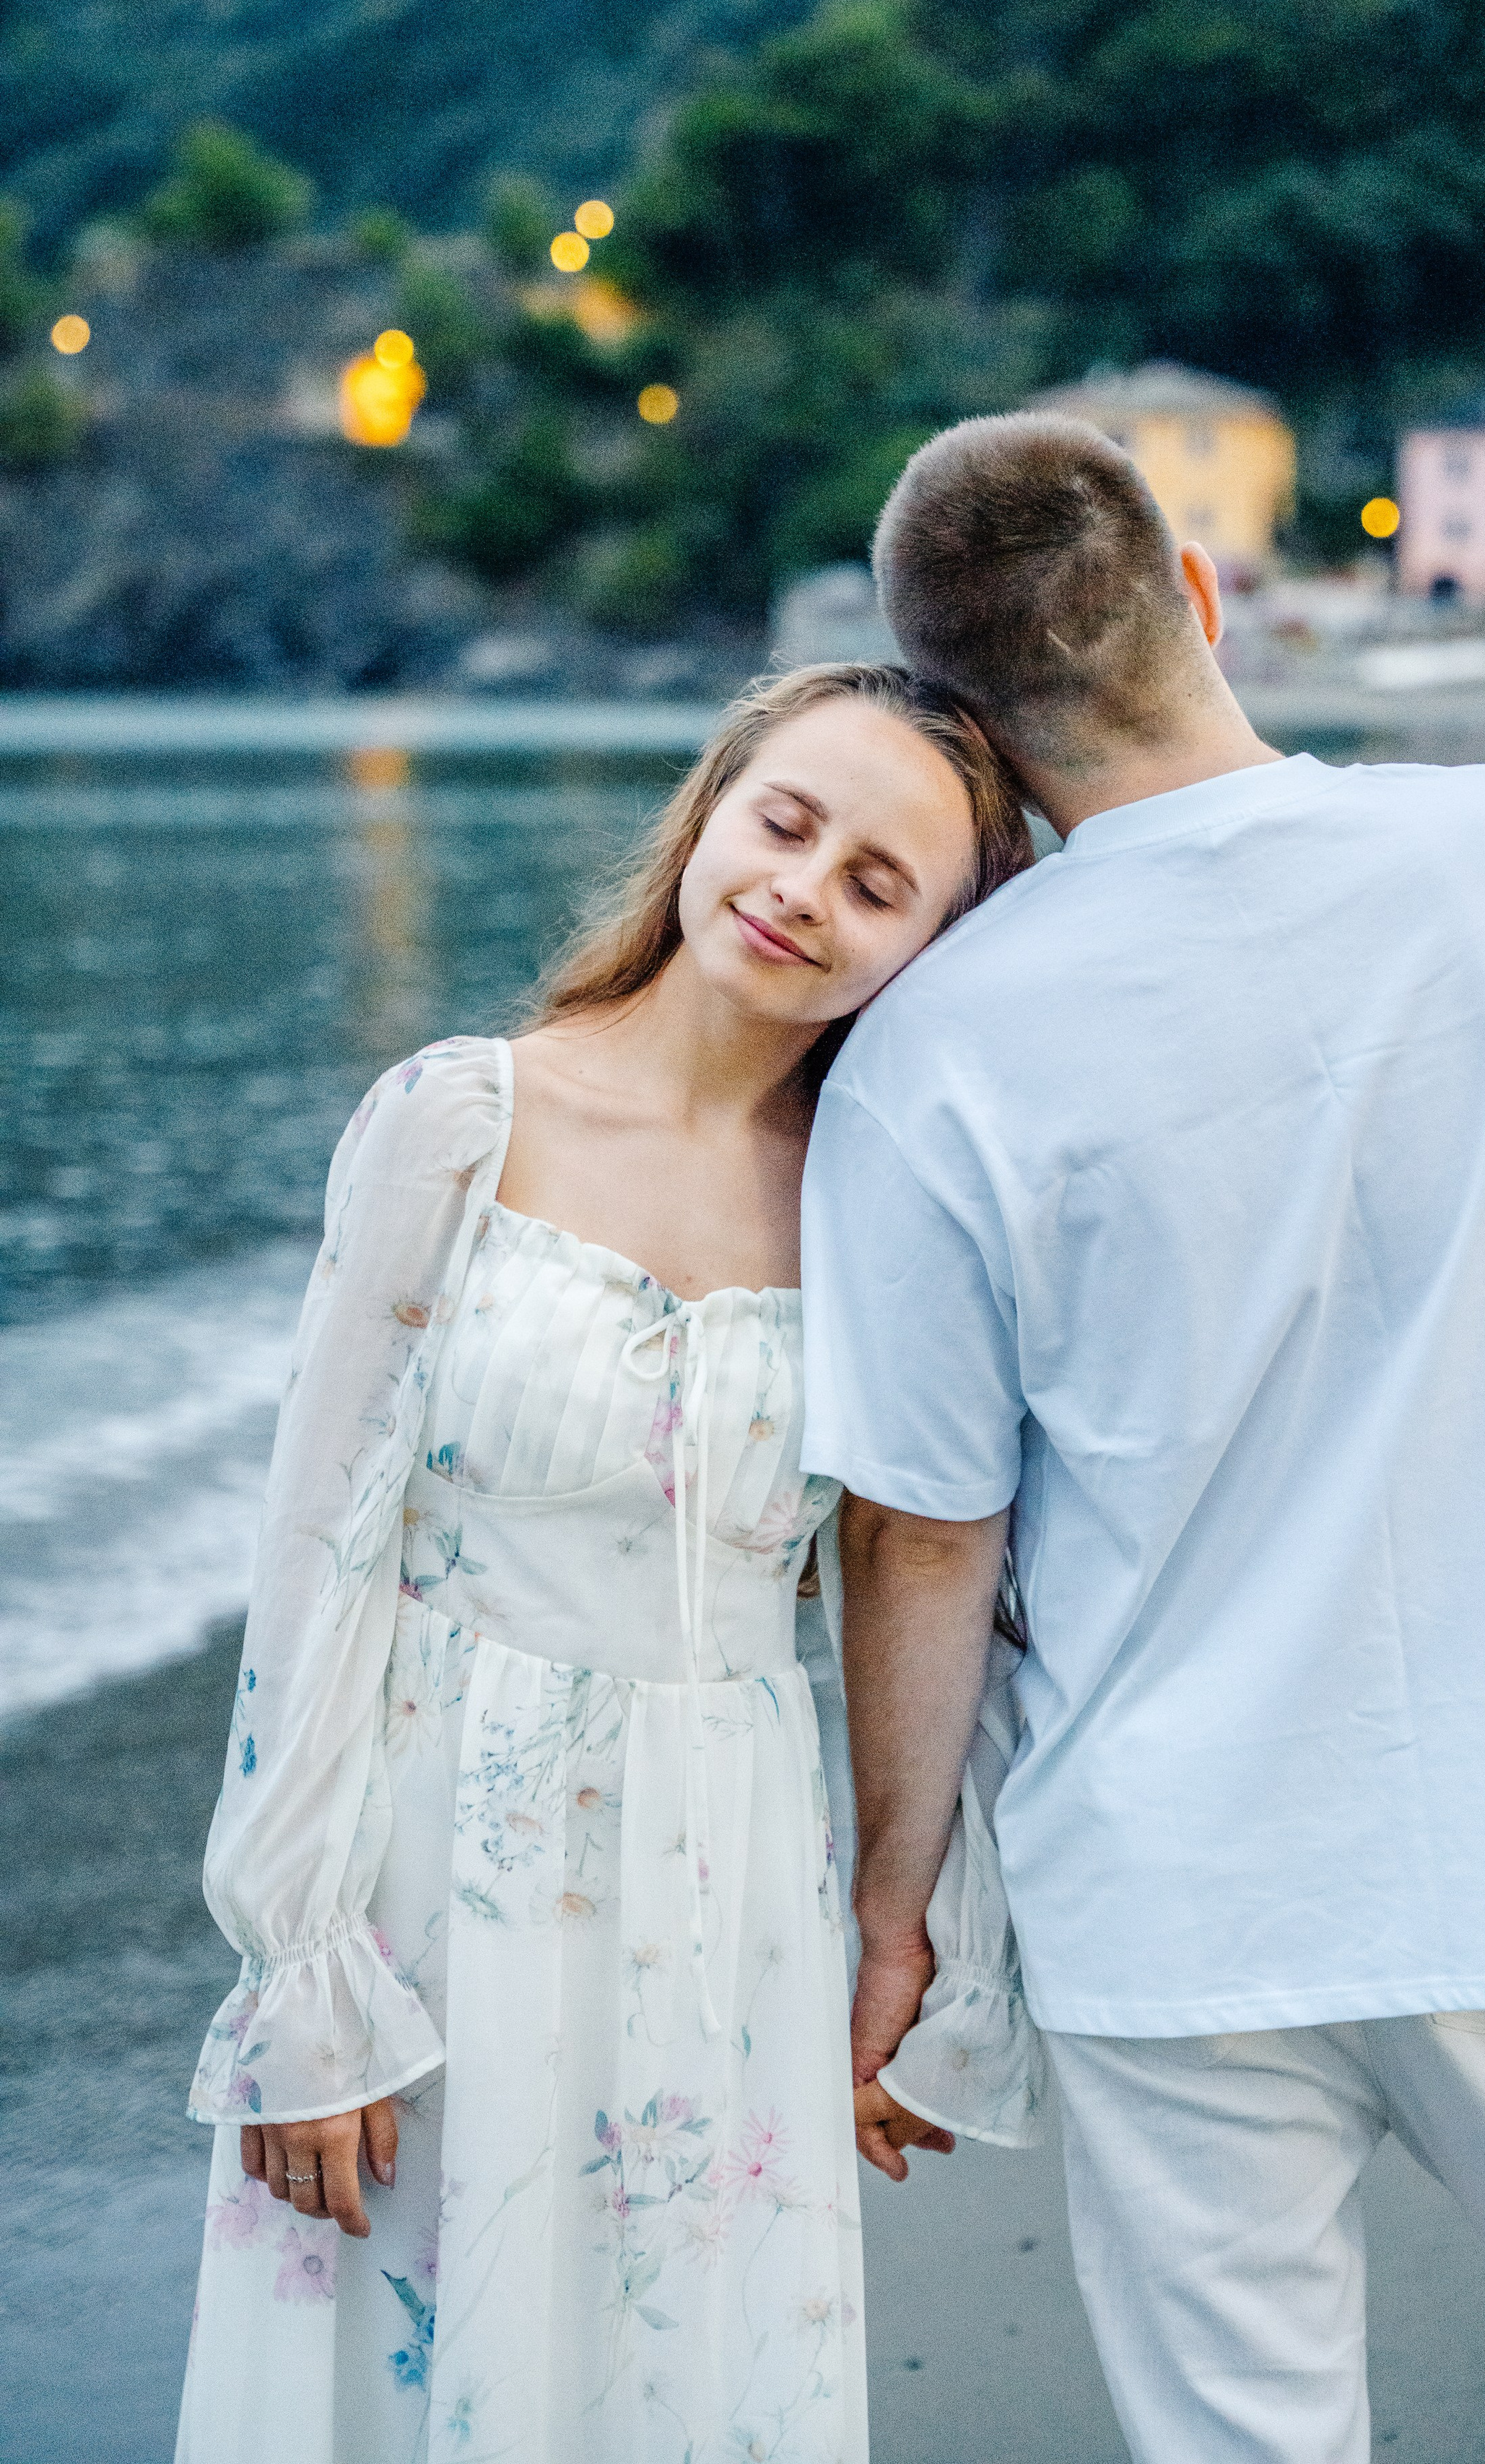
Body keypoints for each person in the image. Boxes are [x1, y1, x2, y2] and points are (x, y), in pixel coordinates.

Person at [800, 414, 1485, 2463]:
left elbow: (921, 1529)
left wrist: (892, 1909)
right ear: (1199, 589)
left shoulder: (931, 1050)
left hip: (1168, 1882)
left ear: (962, 717)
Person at [176, 663, 1036, 2464]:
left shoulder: (883, 1203)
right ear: (711, 810)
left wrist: (908, 1916)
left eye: (880, 884)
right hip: (425, 1861)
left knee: (684, 2383)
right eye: (787, 822)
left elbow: (912, 1561)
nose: (804, 888)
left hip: (725, 1871)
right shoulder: (460, 1118)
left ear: (928, 951)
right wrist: (301, 1968)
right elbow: (322, 1545)